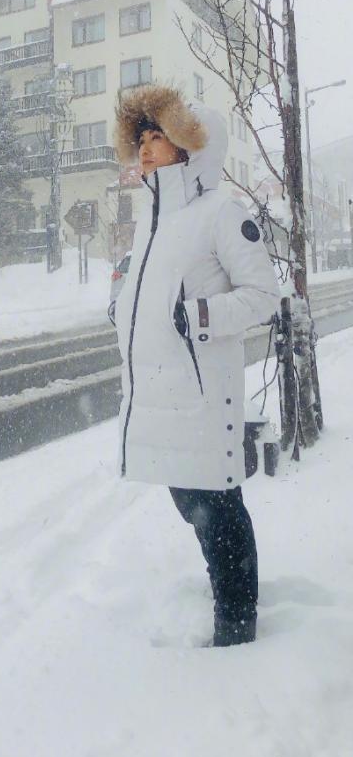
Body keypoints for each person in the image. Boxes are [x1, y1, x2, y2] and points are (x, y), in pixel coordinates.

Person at [111, 84, 280, 647]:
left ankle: (238, 629)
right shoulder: (153, 219)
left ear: (191, 146)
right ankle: (231, 597)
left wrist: (199, 316)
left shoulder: (219, 213)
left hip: (205, 394)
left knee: (218, 510)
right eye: (144, 139)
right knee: (190, 499)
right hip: (163, 394)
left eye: (160, 138)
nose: (148, 149)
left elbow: (263, 294)